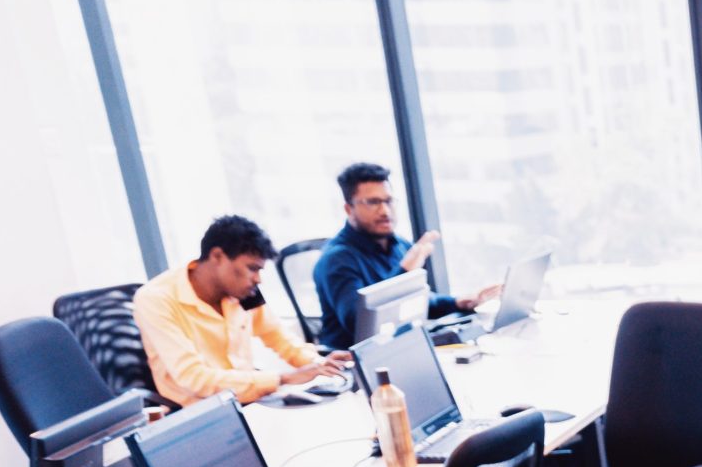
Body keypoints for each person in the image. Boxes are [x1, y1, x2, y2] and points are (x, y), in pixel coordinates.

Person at [132, 214, 345, 406]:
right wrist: (283, 378)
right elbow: (194, 377)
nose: (258, 279)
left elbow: (279, 338)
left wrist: (320, 364)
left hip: (249, 400)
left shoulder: (242, 292)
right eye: (252, 268)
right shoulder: (156, 299)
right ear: (217, 256)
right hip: (200, 412)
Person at [310, 161, 494, 349]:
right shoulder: (336, 259)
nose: (385, 211)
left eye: (388, 201)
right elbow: (361, 326)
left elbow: (416, 302)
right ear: (349, 209)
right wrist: (404, 272)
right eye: (373, 202)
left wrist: (458, 303)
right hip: (355, 359)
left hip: (401, 346)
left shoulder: (399, 244)